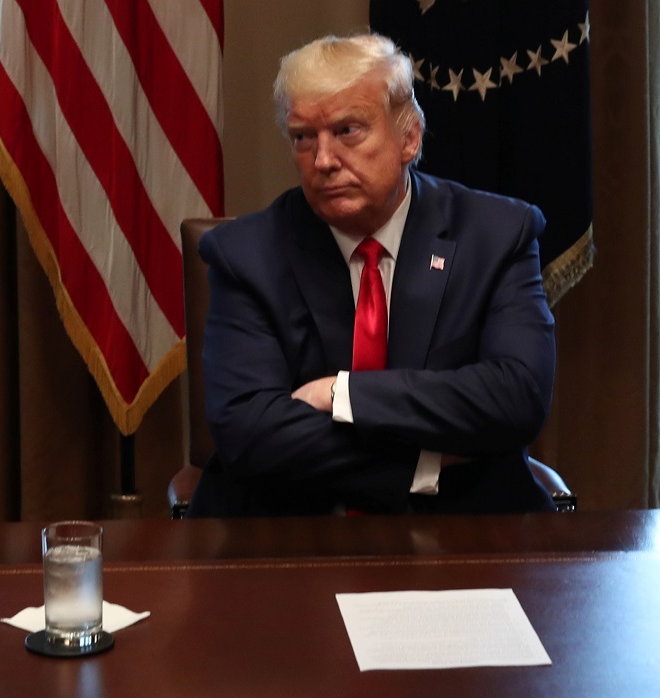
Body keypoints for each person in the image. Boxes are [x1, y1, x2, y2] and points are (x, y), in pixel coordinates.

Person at [185, 33, 556, 517]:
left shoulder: (496, 234)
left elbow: (517, 397)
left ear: (409, 137)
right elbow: (249, 434)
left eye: (347, 130)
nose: (322, 161)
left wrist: (343, 393)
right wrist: (427, 462)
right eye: (303, 137)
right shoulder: (247, 254)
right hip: (287, 533)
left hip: (463, 533)